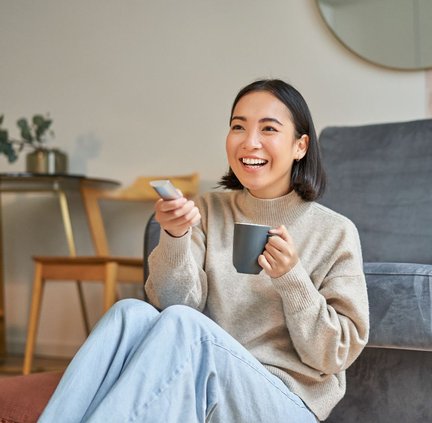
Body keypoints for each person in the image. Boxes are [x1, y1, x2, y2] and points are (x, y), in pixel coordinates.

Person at [39, 79, 369, 423]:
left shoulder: (335, 231)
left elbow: (336, 354)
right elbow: (172, 306)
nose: (249, 142)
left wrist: (292, 279)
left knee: (184, 325)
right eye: (238, 126)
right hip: (203, 381)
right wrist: (175, 236)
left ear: (300, 146)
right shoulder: (208, 211)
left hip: (285, 403)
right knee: (129, 314)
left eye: (268, 128)